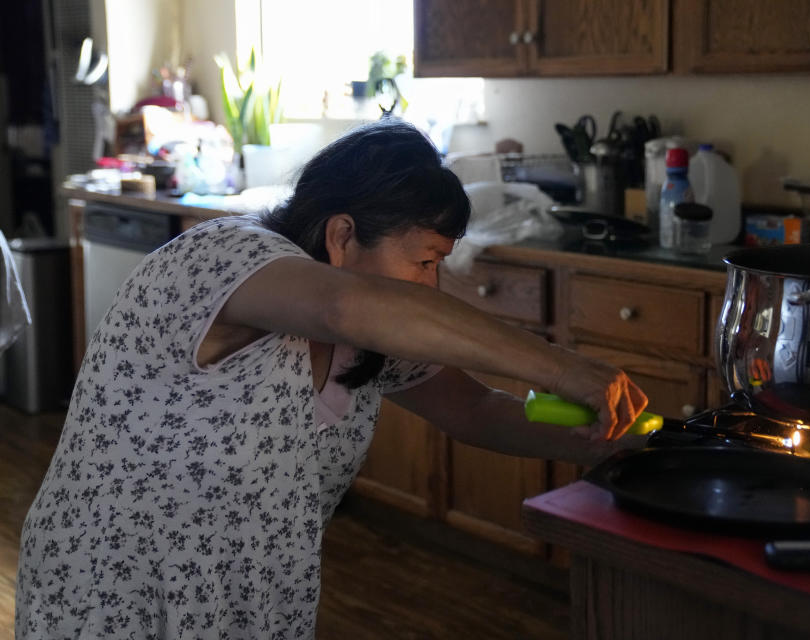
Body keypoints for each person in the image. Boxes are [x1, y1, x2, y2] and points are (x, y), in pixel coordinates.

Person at [16, 119, 647, 639]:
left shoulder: (367, 341)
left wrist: (611, 436)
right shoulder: (226, 253)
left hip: (248, 603)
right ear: (342, 235)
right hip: (115, 591)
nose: (430, 285)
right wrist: (566, 367)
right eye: (424, 261)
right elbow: (344, 305)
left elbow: (475, 410)